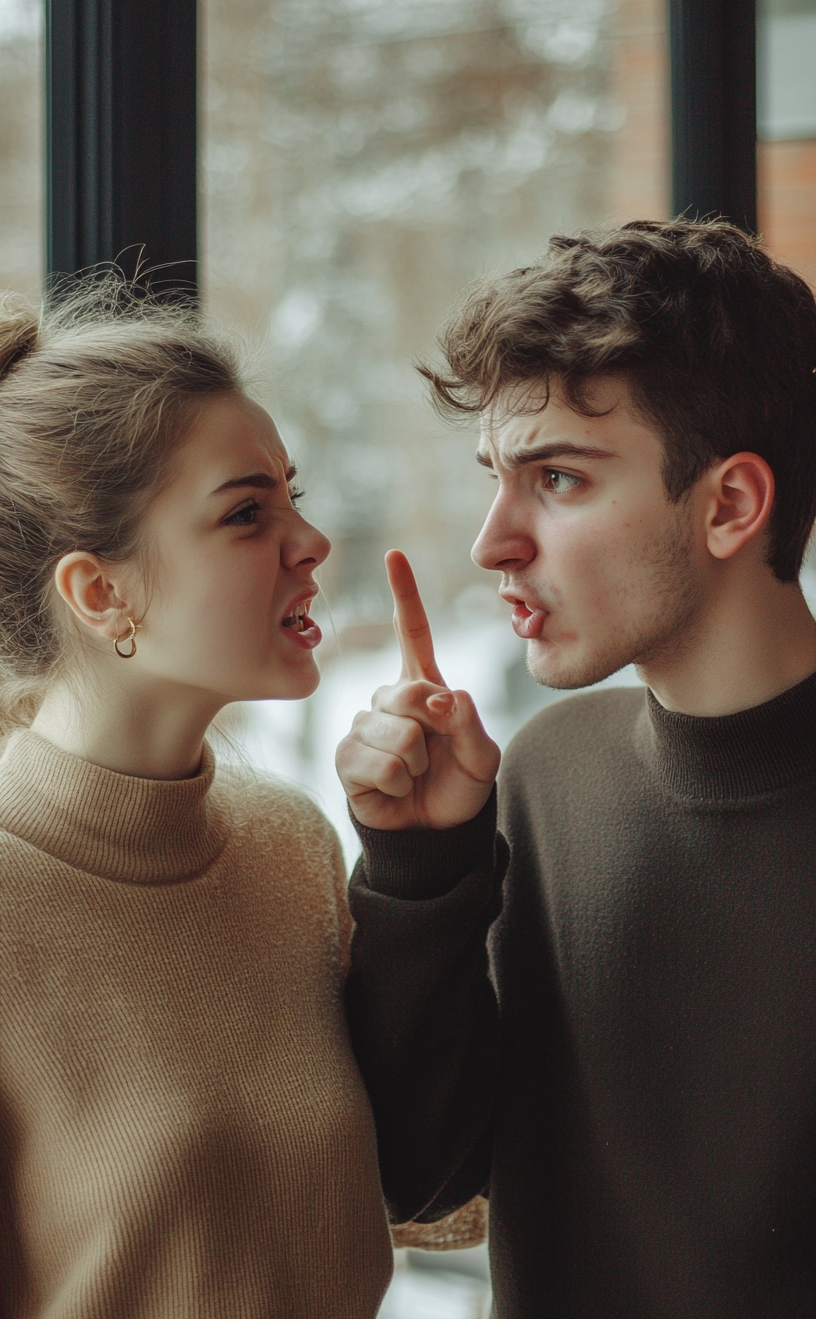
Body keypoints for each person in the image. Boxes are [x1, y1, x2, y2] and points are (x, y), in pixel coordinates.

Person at [336, 218, 816, 1319]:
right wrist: (419, 868)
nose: (492, 541)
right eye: (495, 478)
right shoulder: (547, 776)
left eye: (557, 478)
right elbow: (419, 1178)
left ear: (731, 505)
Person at [0, 278, 395, 1318]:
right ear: (99, 592)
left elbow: (424, 1193)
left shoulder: (289, 843)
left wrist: (427, 866)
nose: (310, 544)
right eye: (247, 513)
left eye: (291, 494)